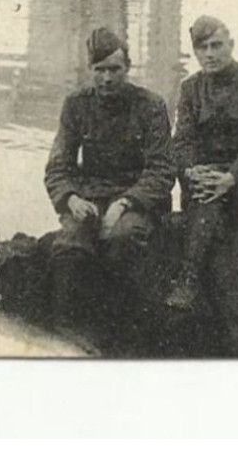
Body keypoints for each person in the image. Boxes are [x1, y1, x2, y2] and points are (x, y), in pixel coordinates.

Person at [43, 27, 175, 341]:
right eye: (99, 70)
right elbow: (58, 166)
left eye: (114, 69)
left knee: (124, 238)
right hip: (91, 194)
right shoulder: (76, 104)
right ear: (90, 70)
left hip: (137, 198)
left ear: (128, 68)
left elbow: (161, 170)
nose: (106, 79)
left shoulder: (151, 106)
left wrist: (126, 202)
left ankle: (120, 327)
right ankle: (68, 330)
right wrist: (71, 198)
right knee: (71, 243)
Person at [166, 15, 238, 312]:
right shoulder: (191, 88)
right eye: (201, 48)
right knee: (204, 194)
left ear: (232, 45)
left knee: (213, 202)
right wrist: (191, 169)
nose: (210, 54)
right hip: (205, 177)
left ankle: (189, 278)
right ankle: (192, 280)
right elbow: (183, 140)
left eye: (216, 45)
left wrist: (231, 177)